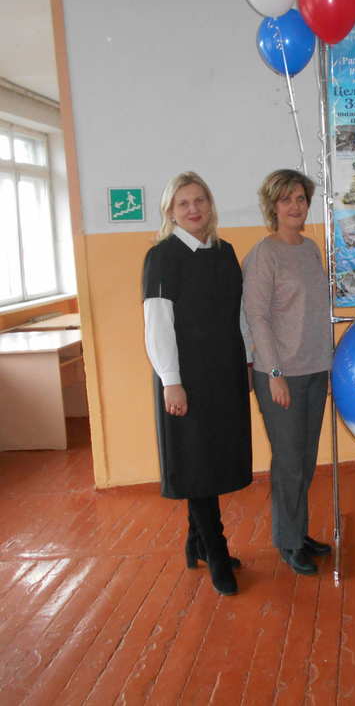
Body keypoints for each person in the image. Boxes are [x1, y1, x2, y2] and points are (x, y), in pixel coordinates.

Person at [142, 171, 252, 595]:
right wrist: (171, 381)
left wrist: (247, 360)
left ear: (210, 205)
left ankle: (196, 542)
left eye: (200, 200)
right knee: (196, 460)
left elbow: (239, 313)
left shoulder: (225, 253)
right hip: (185, 377)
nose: (193, 209)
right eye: (184, 203)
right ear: (170, 211)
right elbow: (157, 325)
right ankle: (217, 551)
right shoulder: (162, 257)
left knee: (213, 457)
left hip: (224, 372)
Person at [242, 169, 333, 576]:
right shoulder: (265, 254)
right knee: (290, 462)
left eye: (300, 198)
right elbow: (257, 316)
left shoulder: (310, 249)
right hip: (280, 374)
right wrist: (274, 372)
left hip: (315, 368)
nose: (295, 206)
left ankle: (299, 531)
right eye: (286, 199)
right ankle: (288, 542)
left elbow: (315, 311)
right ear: (272, 206)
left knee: (306, 459)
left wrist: (329, 360)